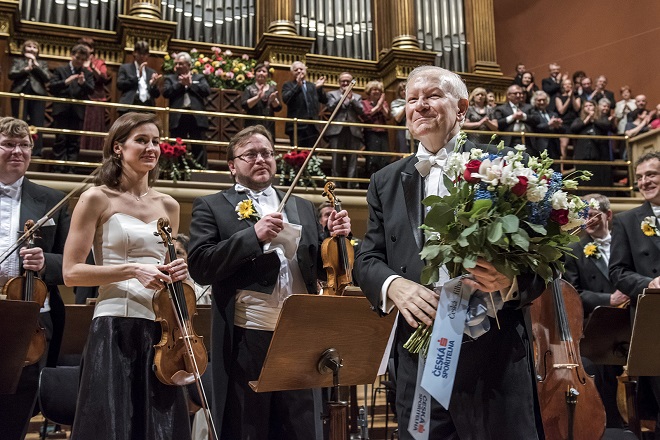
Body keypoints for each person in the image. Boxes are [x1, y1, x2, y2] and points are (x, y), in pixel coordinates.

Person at [354, 65, 546, 439]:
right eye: (412, 99)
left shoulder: (504, 165)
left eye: (431, 96)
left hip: (493, 356)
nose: (420, 106)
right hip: (419, 358)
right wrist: (395, 285)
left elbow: (544, 262)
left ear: (461, 108)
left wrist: (510, 282)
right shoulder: (385, 181)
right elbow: (367, 258)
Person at [187, 125, 351, 440]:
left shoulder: (301, 205)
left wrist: (338, 237)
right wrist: (253, 235)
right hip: (248, 336)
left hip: (299, 332)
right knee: (248, 425)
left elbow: (320, 269)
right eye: (251, 154)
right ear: (232, 165)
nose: (261, 159)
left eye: (267, 153)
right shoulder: (212, 206)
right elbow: (201, 266)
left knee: (301, 427)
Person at [62, 112, 192, 439]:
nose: (151, 148)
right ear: (118, 148)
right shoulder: (96, 198)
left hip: (160, 331)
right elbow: (71, 273)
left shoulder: (169, 205)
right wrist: (132, 269)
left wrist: (179, 270)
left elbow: (166, 266)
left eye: (155, 141)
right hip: (113, 324)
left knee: (156, 427)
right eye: (141, 141)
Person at [0, 117, 69, 440]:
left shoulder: (52, 199)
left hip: (29, 321)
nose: (17, 151)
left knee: (17, 410)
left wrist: (45, 262)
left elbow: (73, 262)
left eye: (24, 145)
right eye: (8, 144)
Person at [563, 193, 628, 430]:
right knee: (603, 376)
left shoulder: (625, 240)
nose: (587, 220)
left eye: (592, 215)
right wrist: (608, 299)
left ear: (608, 215)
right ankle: (610, 425)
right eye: (583, 216)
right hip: (598, 325)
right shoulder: (575, 250)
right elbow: (574, 292)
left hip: (631, 318)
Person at [610, 151, 660, 439]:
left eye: (651, 174)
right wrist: (650, 282)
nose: (644, 181)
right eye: (640, 177)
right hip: (652, 325)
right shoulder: (627, 221)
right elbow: (618, 272)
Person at [49, 44, 94, 172]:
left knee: (74, 140)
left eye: (82, 59)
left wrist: (83, 83)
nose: (79, 61)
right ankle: (58, 168)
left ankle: (71, 168)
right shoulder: (60, 70)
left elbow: (91, 90)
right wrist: (66, 81)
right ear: (72, 55)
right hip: (61, 109)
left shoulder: (87, 74)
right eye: (77, 58)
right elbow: (51, 87)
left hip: (77, 111)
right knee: (60, 139)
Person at [163, 52, 211, 167]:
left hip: (196, 116)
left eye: (181, 64)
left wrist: (190, 85)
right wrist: (180, 84)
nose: (178, 66)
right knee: (177, 145)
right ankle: (178, 170)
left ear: (189, 65)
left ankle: (201, 172)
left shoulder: (199, 77)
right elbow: (166, 92)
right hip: (178, 117)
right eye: (177, 64)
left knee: (198, 144)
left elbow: (206, 91)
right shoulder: (170, 78)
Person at [8, 39, 50, 156]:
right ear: (24, 49)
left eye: (34, 47)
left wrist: (35, 65)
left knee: (37, 122)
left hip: (37, 94)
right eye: (29, 46)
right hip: (20, 92)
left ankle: (35, 151)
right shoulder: (18, 61)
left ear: (38, 51)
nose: (31, 49)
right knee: (18, 121)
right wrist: (25, 69)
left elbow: (47, 78)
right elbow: (11, 74)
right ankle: (15, 148)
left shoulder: (41, 63)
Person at [325, 72, 364, 187]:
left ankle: (352, 185)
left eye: (348, 81)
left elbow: (361, 110)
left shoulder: (357, 97)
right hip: (337, 130)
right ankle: (335, 185)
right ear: (339, 82)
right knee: (336, 159)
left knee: (353, 159)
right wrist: (343, 97)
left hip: (353, 131)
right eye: (343, 81)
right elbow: (330, 107)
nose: (346, 83)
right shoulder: (332, 94)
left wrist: (351, 99)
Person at [281, 61, 327, 148]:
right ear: (292, 73)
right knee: (297, 154)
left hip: (312, 126)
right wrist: (297, 86)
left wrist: (319, 88)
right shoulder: (288, 85)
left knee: (310, 155)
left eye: (301, 69)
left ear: (305, 70)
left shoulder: (311, 86)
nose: (299, 71)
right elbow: (286, 100)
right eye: (296, 70)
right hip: (296, 126)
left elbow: (324, 100)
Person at [79, 37, 111, 151]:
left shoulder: (99, 62)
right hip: (80, 97)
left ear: (92, 49)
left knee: (94, 127)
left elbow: (104, 78)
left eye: (86, 46)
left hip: (96, 98)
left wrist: (93, 67)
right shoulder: (78, 60)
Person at [117, 40, 162, 115]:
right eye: (140, 53)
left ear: (148, 55)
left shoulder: (151, 72)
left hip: (148, 106)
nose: (142, 56)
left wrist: (153, 85)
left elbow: (156, 95)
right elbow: (120, 84)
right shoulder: (125, 67)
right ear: (134, 53)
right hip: (130, 105)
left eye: (144, 53)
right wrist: (137, 77)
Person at [241, 62, 281, 140]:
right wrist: (257, 97)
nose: (261, 73)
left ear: (267, 74)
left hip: (268, 124)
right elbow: (244, 105)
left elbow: (278, 108)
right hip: (252, 123)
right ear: (255, 74)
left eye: (264, 71)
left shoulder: (272, 89)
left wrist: (273, 100)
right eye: (259, 71)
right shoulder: (249, 88)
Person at [361, 80, 390, 175]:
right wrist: (378, 106)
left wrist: (381, 104)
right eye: (374, 89)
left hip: (383, 132)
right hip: (371, 132)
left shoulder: (384, 103)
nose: (377, 92)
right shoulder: (364, 102)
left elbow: (387, 116)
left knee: (384, 157)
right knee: (373, 157)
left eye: (379, 90)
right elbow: (367, 115)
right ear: (369, 91)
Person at [528, 90, 564, 160]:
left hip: (554, 147)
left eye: (544, 100)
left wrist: (558, 126)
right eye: (539, 100)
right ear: (534, 102)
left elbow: (562, 131)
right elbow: (535, 128)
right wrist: (549, 124)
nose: (542, 102)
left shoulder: (553, 114)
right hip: (539, 147)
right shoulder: (532, 114)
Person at [390, 81, 410, 153]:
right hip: (402, 130)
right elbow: (398, 119)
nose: (404, 92)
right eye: (401, 90)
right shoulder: (395, 103)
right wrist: (406, 106)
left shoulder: (416, 102)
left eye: (406, 89)